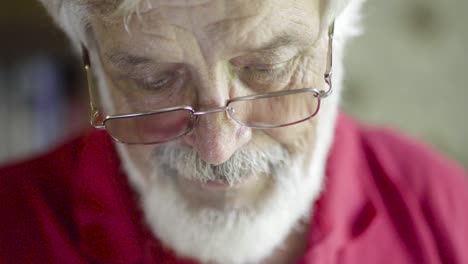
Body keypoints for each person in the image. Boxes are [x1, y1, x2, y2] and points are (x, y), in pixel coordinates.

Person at [1, 0, 467, 263]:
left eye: (268, 68)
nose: (217, 148)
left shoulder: (447, 216)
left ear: (337, 36)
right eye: (153, 81)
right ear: (94, 64)